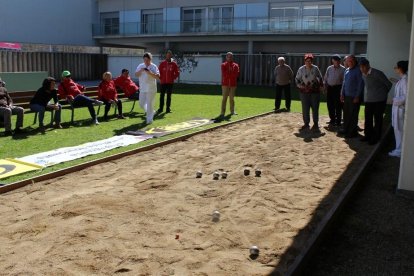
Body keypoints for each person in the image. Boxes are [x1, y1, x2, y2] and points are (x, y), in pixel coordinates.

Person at [359, 58, 392, 145]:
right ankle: (367, 135)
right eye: (360, 67)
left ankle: (376, 137)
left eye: (363, 67)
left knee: (378, 119)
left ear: (367, 65)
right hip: (369, 100)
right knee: (368, 118)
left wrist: (383, 95)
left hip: (379, 100)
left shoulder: (377, 73)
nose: (362, 69)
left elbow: (389, 84)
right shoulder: (363, 74)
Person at [295, 53, 323, 130]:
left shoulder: (315, 68)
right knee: (305, 108)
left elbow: (320, 78)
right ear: (304, 61)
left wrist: (320, 86)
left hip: (315, 92)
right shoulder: (301, 69)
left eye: (310, 61)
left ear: (312, 61)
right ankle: (306, 123)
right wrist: (302, 86)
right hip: (304, 93)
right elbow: (297, 80)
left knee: (315, 108)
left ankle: (316, 123)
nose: (308, 62)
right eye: (307, 61)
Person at [339, 55, 365, 138]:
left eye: (350, 61)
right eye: (347, 61)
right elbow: (344, 83)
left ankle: (352, 132)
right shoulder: (346, 70)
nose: (349, 63)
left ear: (354, 61)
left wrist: (357, 96)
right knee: (346, 114)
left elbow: (360, 84)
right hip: (346, 96)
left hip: (354, 97)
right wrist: (342, 94)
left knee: (353, 115)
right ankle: (345, 129)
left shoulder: (358, 70)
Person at [389, 60, 409, 157]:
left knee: (399, 130)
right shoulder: (402, 79)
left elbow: (406, 96)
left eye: (396, 67)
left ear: (400, 68)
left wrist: (395, 100)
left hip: (400, 108)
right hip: (398, 108)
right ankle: (399, 148)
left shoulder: (405, 80)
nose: (395, 68)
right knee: (397, 129)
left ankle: (400, 151)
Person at [135, 52, 160, 124]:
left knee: (150, 104)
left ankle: (149, 120)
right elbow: (136, 74)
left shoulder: (154, 66)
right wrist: (141, 70)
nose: (146, 62)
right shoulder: (140, 66)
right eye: (144, 60)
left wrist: (149, 72)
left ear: (150, 59)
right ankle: (152, 112)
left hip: (151, 88)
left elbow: (157, 77)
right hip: (142, 88)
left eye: (147, 60)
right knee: (141, 104)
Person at [216, 52, 240, 120]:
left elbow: (236, 74)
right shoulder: (223, 65)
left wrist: (230, 73)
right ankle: (222, 113)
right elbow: (224, 74)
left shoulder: (236, 65)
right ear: (226, 57)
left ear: (232, 57)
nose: (230, 58)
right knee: (224, 98)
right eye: (228, 57)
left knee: (232, 98)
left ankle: (232, 111)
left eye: (231, 57)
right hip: (225, 84)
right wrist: (230, 73)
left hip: (233, 84)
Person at [324, 54, 345, 126]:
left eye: (338, 60)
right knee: (330, 105)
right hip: (330, 88)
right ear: (333, 61)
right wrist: (325, 86)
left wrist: (342, 91)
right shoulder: (329, 68)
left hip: (338, 88)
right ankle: (332, 119)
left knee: (338, 105)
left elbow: (344, 81)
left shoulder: (343, 69)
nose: (337, 62)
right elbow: (326, 78)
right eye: (336, 60)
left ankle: (338, 121)